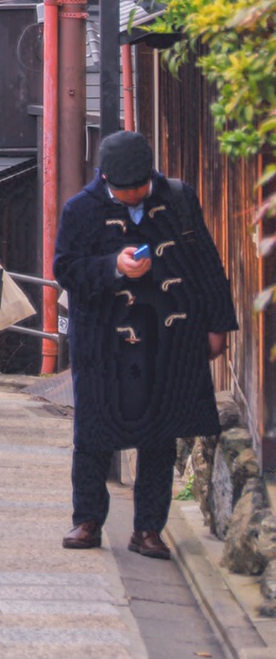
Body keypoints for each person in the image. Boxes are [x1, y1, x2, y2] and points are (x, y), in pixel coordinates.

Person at [54, 132, 237, 559]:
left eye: (138, 190)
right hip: (103, 340)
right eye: (122, 192)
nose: (132, 197)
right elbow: (65, 268)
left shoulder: (177, 198)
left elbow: (206, 262)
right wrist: (113, 267)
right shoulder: (81, 209)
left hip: (165, 335)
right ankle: (87, 521)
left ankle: (148, 530)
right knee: (94, 433)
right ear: (104, 178)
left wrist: (218, 324)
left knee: (160, 434)